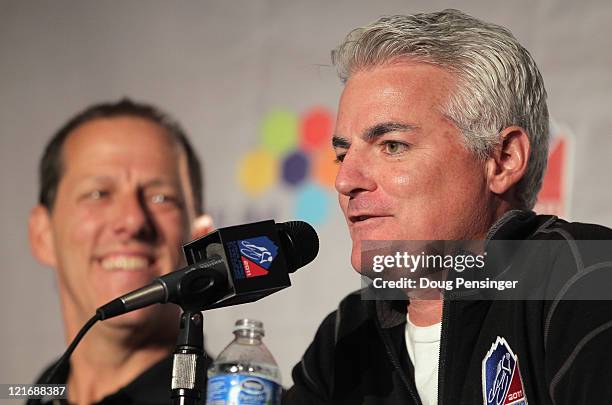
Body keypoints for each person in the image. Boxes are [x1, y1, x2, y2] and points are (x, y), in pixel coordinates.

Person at [284, 9, 612, 405]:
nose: (345, 180)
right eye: (342, 155)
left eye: (392, 146)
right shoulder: (346, 336)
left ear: (504, 159)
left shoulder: (588, 281)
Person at [27, 99, 214, 404]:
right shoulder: (43, 392)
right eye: (98, 193)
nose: (132, 220)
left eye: (160, 198)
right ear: (42, 235)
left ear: (200, 238)